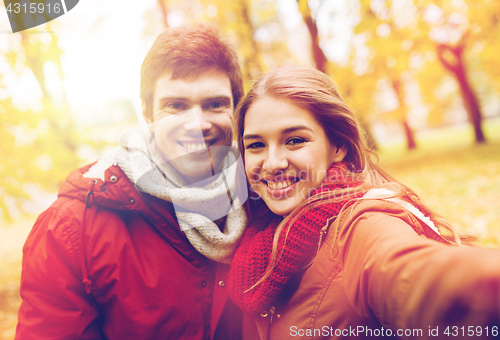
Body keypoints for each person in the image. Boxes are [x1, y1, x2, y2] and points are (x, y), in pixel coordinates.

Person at [228, 64, 500, 339]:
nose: (273, 163)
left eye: (295, 140)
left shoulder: (362, 224)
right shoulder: (255, 234)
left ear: (338, 146)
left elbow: (415, 276)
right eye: (255, 145)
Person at [16, 25, 248, 340]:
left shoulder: (263, 198)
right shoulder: (72, 228)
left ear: (235, 110)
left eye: (214, 104)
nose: (197, 124)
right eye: (176, 105)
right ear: (147, 114)